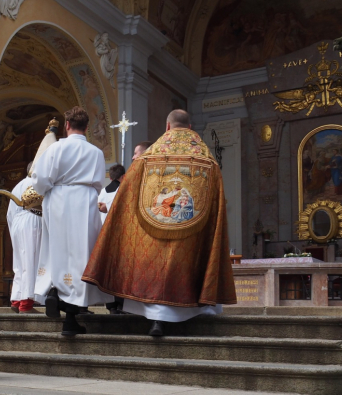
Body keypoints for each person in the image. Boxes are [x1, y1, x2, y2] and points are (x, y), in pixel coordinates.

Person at [83, 110, 237, 337]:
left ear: (167, 127)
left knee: (156, 267)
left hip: (153, 229)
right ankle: (189, 314)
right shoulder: (207, 160)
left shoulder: (146, 159)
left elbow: (126, 196)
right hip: (190, 232)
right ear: (190, 126)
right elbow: (216, 204)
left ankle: (156, 319)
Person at [31, 106, 111, 336]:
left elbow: (41, 180)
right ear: (87, 127)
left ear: (67, 126)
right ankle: (72, 312)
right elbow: (98, 183)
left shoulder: (56, 148)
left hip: (57, 201)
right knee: (80, 255)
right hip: (84, 202)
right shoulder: (96, 152)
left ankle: (54, 291)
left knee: (56, 250)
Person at [7, 162, 42, 314]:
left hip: (17, 223)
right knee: (31, 262)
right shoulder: (37, 184)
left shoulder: (18, 185)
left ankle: (17, 299)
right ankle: (26, 304)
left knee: (20, 263)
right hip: (33, 221)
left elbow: (10, 213)